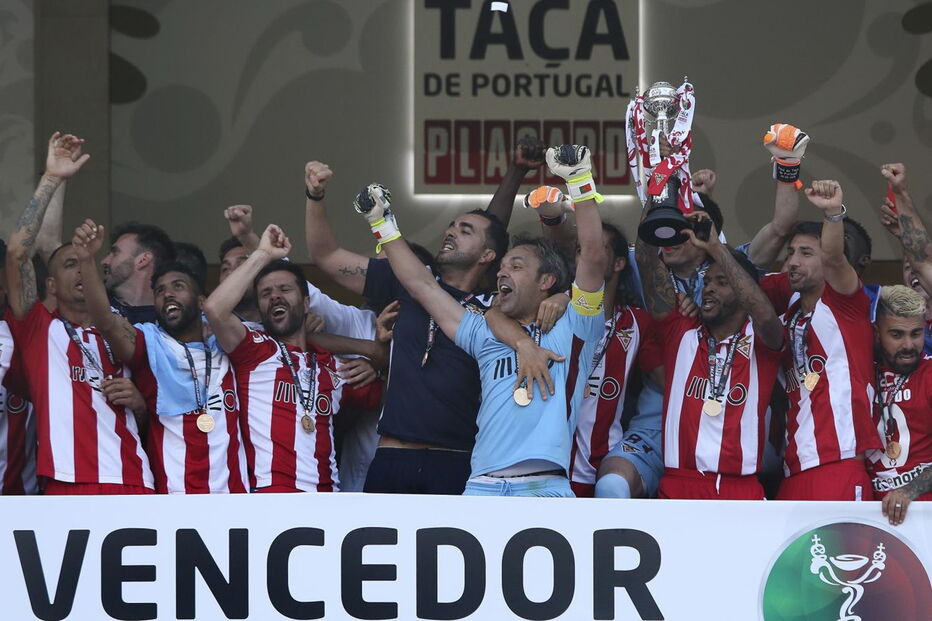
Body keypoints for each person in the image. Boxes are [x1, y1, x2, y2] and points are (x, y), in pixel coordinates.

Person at [355, 144, 606, 497]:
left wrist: (579, 179)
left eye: (516, 267)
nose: (502, 274)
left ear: (547, 281)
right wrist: (382, 224)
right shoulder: (483, 331)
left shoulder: (575, 326)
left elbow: (592, 255)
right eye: (501, 268)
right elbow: (422, 285)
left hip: (545, 485)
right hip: (480, 487)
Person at [303, 140, 544, 494]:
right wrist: (315, 197)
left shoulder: (495, 308)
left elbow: (496, 230)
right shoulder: (407, 281)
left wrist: (516, 173)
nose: (450, 231)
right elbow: (325, 256)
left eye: (465, 231)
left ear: (488, 255)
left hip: (457, 461)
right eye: (451, 226)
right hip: (390, 459)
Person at [5, 133, 153, 494]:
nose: (80, 270)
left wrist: (139, 404)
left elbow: (153, 414)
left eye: (85, 263)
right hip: (65, 483)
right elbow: (17, 253)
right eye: (70, 264)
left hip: (133, 479)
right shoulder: (39, 328)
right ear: (51, 285)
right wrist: (52, 178)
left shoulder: (125, 329)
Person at [73, 219, 249, 494]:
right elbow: (106, 320)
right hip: (172, 501)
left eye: (178, 286)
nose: (167, 294)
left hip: (235, 501)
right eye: (159, 290)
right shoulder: (149, 343)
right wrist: (87, 260)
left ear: (202, 301)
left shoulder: (230, 344)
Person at [203, 224, 376, 492]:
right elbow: (215, 309)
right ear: (260, 309)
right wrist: (261, 254)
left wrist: (376, 366)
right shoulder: (254, 350)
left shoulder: (333, 365)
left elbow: (395, 392)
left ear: (307, 304)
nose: (274, 297)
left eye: (284, 289)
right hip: (270, 499)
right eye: (265, 293)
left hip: (329, 499)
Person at [637, 209, 784, 499]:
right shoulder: (680, 331)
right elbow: (645, 261)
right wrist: (657, 201)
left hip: (740, 491)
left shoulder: (762, 341)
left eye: (722, 282)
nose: (709, 290)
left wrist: (715, 248)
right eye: (707, 282)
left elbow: (764, 313)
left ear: (745, 291)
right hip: (679, 487)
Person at [759, 180, 882, 500]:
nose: (793, 262)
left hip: (839, 465)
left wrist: (832, 214)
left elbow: (834, 260)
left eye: (805, 253)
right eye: (790, 254)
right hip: (793, 471)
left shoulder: (847, 304)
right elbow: (746, 278)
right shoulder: (789, 317)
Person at [866, 286, 932, 525]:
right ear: (876, 333)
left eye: (916, 334)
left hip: (924, 513)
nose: (908, 345)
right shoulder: (860, 372)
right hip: (866, 512)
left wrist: (908, 491)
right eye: (896, 335)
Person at [878, 162, 932, 354]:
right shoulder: (891, 322)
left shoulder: (923, 266)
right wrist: (904, 235)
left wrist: (900, 193)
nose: (914, 274)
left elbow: (923, 262)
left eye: (915, 267)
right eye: (907, 268)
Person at [103, 221, 175, 324]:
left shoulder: (171, 320)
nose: (104, 261)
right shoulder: (92, 305)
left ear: (143, 260)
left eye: (115, 253)